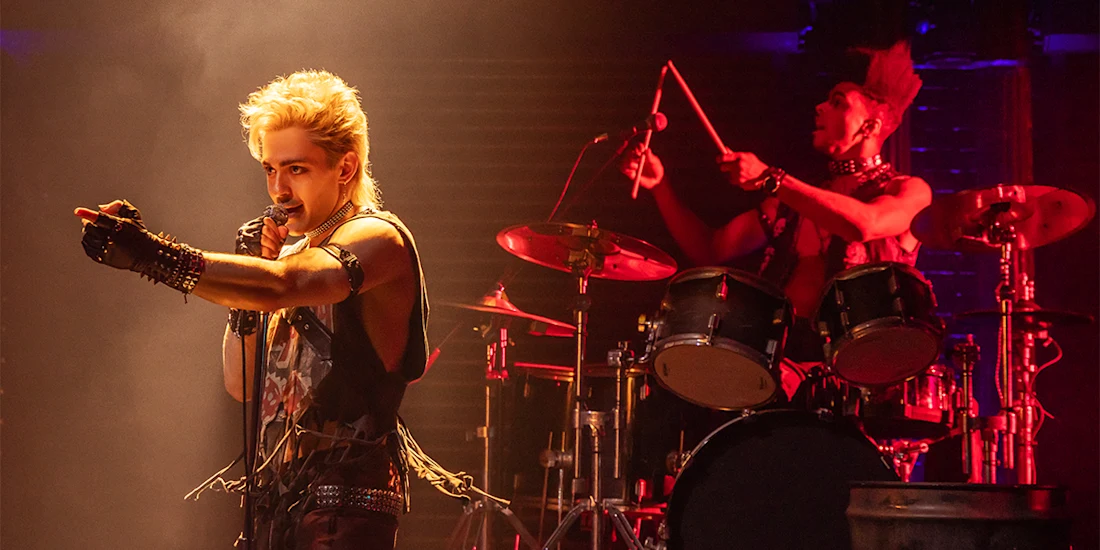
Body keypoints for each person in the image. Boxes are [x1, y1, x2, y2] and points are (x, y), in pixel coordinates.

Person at [75, 70, 428, 550]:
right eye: (270, 169)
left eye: (296, 169)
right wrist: (248, 289)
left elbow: (286, 285)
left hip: (343, 508)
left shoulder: (378, 237)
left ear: (345, 168)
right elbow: (241, 383)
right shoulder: (286, 258)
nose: (278, 189)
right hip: (277, 507)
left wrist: (153, 254)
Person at [622, 41, 930, 369]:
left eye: (837, 102)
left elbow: (865, 224)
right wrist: (661, 187)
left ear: (870, 126)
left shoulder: (910, 190)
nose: (820, 107)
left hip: (869, 369)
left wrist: (772, 179)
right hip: (786, 368)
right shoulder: (793, 202)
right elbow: (710, 249)